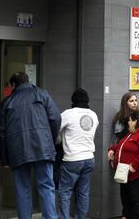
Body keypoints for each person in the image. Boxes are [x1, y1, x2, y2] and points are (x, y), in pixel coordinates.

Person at [0, 72, 61, 219]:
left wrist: (4, 158)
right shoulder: (42, 94)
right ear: (28, 81)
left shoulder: (7, 102)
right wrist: (49, 140)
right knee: (46, 186)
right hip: (43, 148)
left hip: (17, 151)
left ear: (13, 85)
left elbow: (1, 132)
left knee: (22, 188)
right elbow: (55, 118)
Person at [58, 88, 99, 219]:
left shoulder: (68, 114)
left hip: (72, 159)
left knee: (65, 192)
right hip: (89, 158)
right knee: (83, 192)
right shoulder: (94, 115)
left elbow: (55, 129)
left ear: (73, 100)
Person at [108, 110, 139, 219]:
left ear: (136, 121)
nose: (128, 123)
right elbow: (121, 146)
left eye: (130, 121)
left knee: (137, 203)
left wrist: (133, 167)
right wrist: (112, 150)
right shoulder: (130, 134)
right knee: (127, 202)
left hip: (138, 175)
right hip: (126, 175)